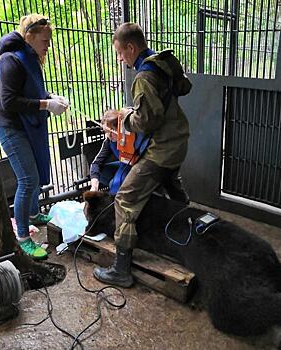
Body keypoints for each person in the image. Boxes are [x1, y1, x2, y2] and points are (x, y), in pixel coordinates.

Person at [93, 22, 192, 287]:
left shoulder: (143, 76)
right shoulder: (159, 64)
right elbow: (172, 95)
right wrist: (128, 111)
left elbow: (147, 120)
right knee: (171, 185)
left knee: (124, 198)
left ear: (131, 47)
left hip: (163, 149)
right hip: (178, 140)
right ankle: (191, 235)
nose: (120, 58)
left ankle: (121, 269)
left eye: (120, 53)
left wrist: (121, 119)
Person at [0, 14, 68, 259]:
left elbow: (32, 88)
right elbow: (10, 101)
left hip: (26, 126)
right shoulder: (11, 60)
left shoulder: (30, 57)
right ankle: (23, 236)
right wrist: (46, 104)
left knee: (34, 172)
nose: (48, 44)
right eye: (44, 40)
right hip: (11, 127)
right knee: (28, 179)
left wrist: (51, 96)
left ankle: (33, 214)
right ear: (30, 36)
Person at [90, 109, 134, 194]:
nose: (109, 135)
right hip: (123, 165)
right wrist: (94, 187)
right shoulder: (109, 141)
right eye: (107, 132)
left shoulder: (131, 137)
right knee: (100, 172)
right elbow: (96, 163)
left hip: (136, 167)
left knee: (115, 187)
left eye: (112, 131)